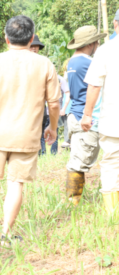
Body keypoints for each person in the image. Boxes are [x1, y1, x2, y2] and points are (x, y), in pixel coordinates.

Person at [0, 16, 61, 244]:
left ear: (6, 38)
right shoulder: (45, 64)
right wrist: (52, 128)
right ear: (31, 38)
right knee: (16, 183)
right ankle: (5, 234)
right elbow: (54, 103)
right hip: (27, 135)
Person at [82, 9, 119, 214]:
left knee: (112, 163)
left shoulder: (105, 50)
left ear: (115, 24)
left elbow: (94, 85)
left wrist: (87, 114)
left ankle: (113, 214)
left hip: (114, 120)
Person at [64, 26, 106, 206]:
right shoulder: (89, 62)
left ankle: (73, 201)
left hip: (75, 113)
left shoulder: (72, 62)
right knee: (78, 163)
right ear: (92, 43)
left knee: (76, 158)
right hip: (86, 117)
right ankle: (73, 204)